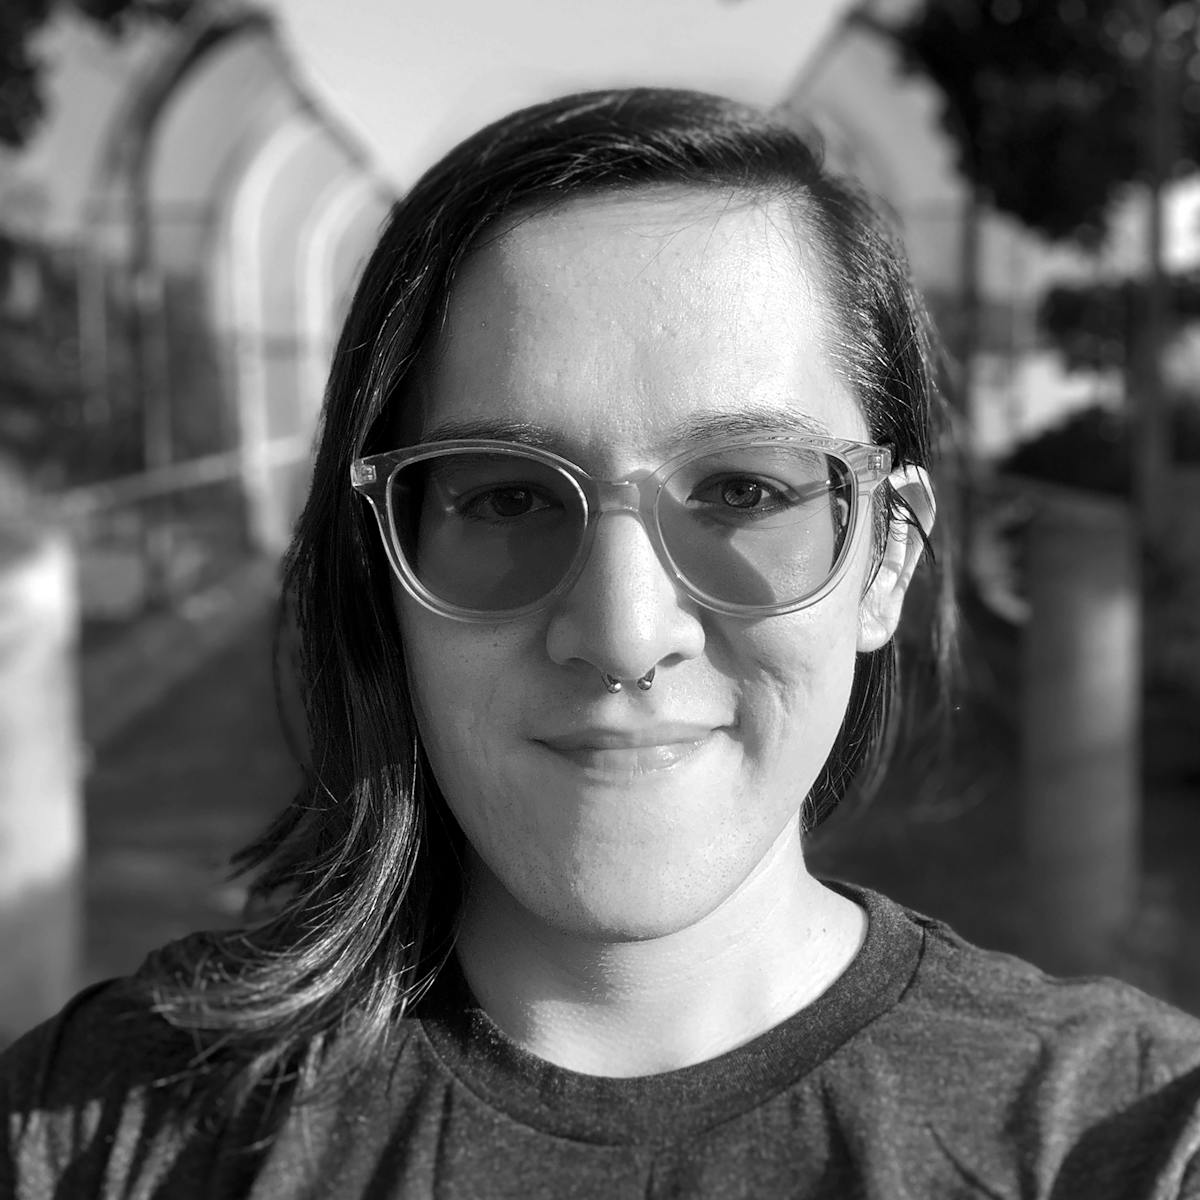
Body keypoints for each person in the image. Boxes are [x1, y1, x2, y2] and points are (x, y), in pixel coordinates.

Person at [3, 86, 1199, 1199]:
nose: (624, 633)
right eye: (508, 498)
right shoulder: (103, 1128)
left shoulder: (1127, 1138)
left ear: (886, 557)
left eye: (743, 490)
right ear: (382, 560)